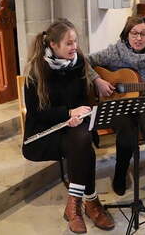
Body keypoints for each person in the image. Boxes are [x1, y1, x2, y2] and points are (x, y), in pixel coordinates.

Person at [22, 19, 114, 234]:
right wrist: (67, 113)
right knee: (84, 148)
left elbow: (82, 99)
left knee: (81, 141)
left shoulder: (79, 62)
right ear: (53, 45)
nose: (75, 47)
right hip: (44, 133)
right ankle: (91, 202)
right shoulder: (36, 70)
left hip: (73, 128)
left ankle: (74, 205)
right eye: (69, 43)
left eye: (75, 42)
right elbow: (37, 113)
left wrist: (80, 113)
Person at [88, 15, 145, 201]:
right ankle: (120, 173)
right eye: (134, 33)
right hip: (119, 104)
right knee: (127, 134)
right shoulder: (115, 52)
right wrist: (98, 80)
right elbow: (85, 61)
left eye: (143, 34)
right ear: (127, 33)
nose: (138, 38)